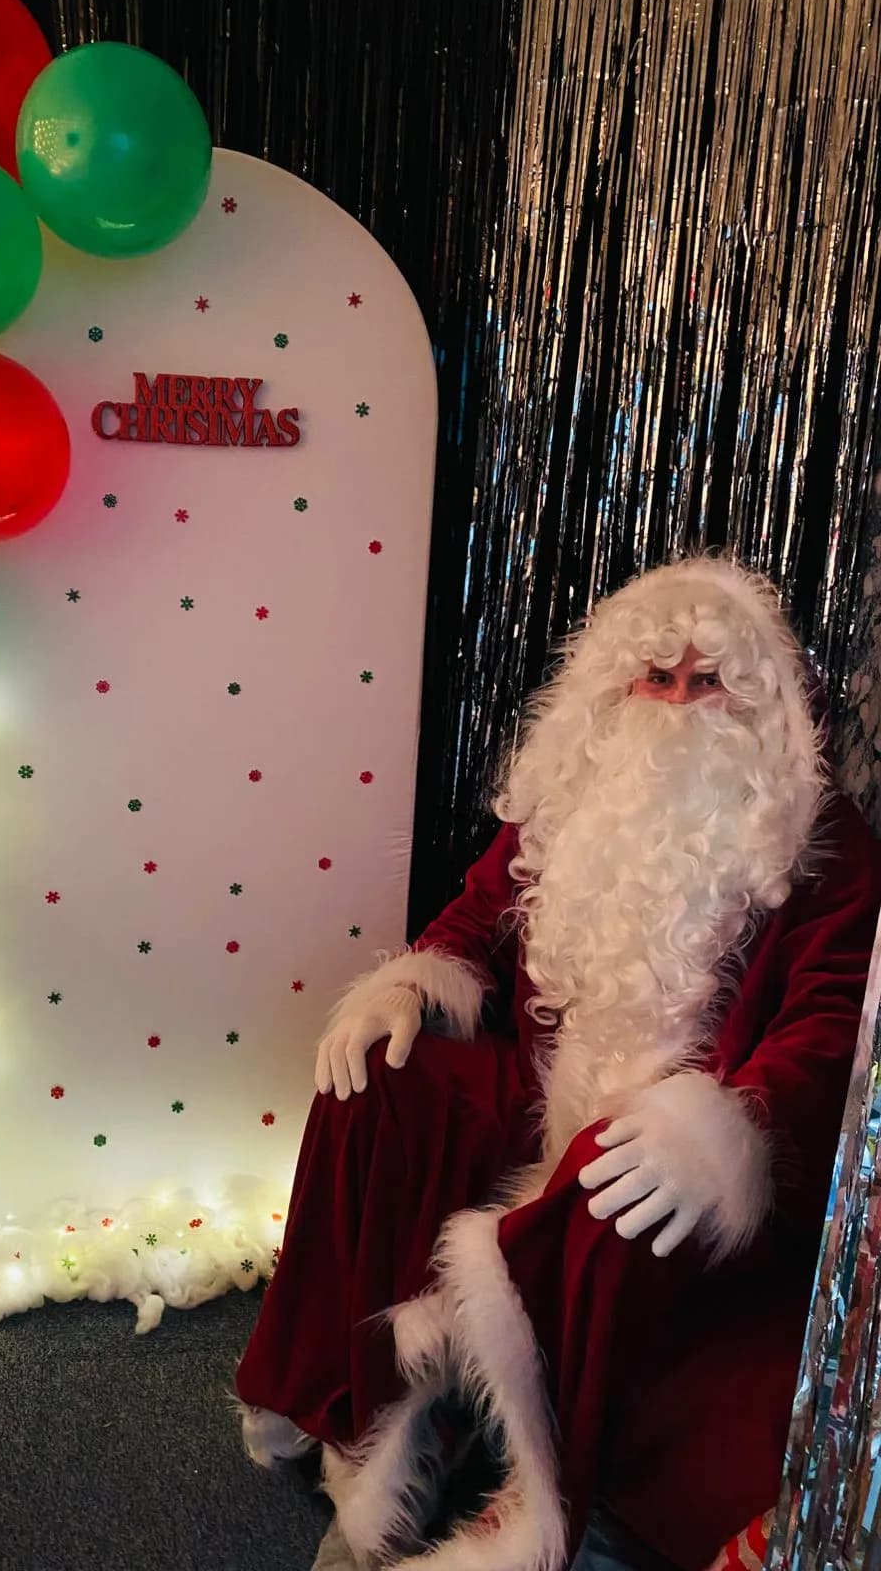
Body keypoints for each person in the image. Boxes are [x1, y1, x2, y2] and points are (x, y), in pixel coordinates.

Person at [235, 556, 881, 1571]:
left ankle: (540, 1504)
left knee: (617, 1169)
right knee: (378, 1082)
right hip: (542, 1114)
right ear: (612, 688)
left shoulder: (824, 840)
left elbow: (831, 1024)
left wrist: (729, 1126)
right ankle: (377, 1418)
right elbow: (478, 916)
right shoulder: (578, 802)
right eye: (653, 678)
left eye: (705, 682)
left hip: (680, 1167)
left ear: (763, 706)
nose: (674, 706)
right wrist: (413, 982)